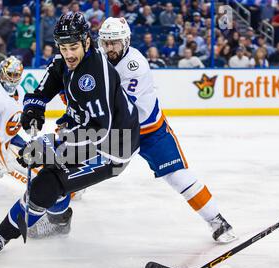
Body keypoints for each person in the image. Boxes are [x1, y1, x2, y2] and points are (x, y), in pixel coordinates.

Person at [0, 12, 140, 260]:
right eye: (63, 47)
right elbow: (43, 88)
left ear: (86, 42)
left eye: (73, 46)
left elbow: (98, 132)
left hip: (113, 148)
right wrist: (33, 109)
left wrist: (49, 149)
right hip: (87, 132)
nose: (68, 53)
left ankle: (2, 235)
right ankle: (60, 220)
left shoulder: (93, 76)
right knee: (52, 178)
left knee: (48, 182)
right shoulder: (65, 60)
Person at [97, 17, 236, 243]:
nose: (110, 48)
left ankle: (217, 220)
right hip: (118, 131)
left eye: (115, 43)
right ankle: (67, 199)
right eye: (106, 42)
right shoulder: (99, 58)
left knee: (176, 175)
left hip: (149, 129)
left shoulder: (135, 65)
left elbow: (118, 108)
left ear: (126, 41)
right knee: (86, 165)